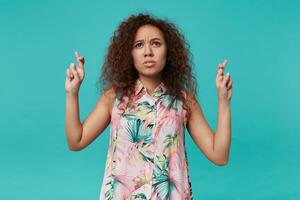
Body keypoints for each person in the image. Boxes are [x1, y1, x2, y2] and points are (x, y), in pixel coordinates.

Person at [65, 13, 232, 200]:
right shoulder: (113, 98)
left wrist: (223, 101)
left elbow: (220, 156)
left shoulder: (184, 101)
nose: (148, 52)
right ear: (130, 54)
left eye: (156, 43)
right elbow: (76, 141)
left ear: (168, 52)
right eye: (139, 45)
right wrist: (72, 93)